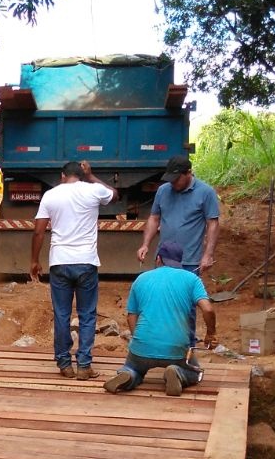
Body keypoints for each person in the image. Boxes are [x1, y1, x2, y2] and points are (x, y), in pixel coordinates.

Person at [29, 160, 118, 381]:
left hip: (59, 262)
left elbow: (39, 232)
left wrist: (34, 261)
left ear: (62, 176)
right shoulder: (93, 190)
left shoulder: (51, 195)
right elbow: (114, 194)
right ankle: (84, 365)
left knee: (62, 314)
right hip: (86, 262)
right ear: (81, 174)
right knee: (87, 314)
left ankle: (64, 364)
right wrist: (92, 176)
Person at [104, 240, 217, 397]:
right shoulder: (192, 279)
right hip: (176, 350)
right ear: (179, 261)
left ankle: (129, 374)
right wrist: (211, 333)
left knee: (133, 366)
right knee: (194, 371)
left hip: (141, 348)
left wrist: (138, 340)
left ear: (158, 259)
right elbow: (208, 309)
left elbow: (131, 316)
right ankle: (178, 372)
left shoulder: (141, 279)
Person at [137, 155, 220, 275]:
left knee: (185, 293)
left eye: (176, 179)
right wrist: (145, 245)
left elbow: (213, 224)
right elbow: (154, 218)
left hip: (189, 261)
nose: (173, 183)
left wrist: (208, 255)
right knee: (162, 292)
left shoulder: (206, 192)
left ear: (189, 173)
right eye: (171, 179)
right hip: (163, 259)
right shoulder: (163, 191)